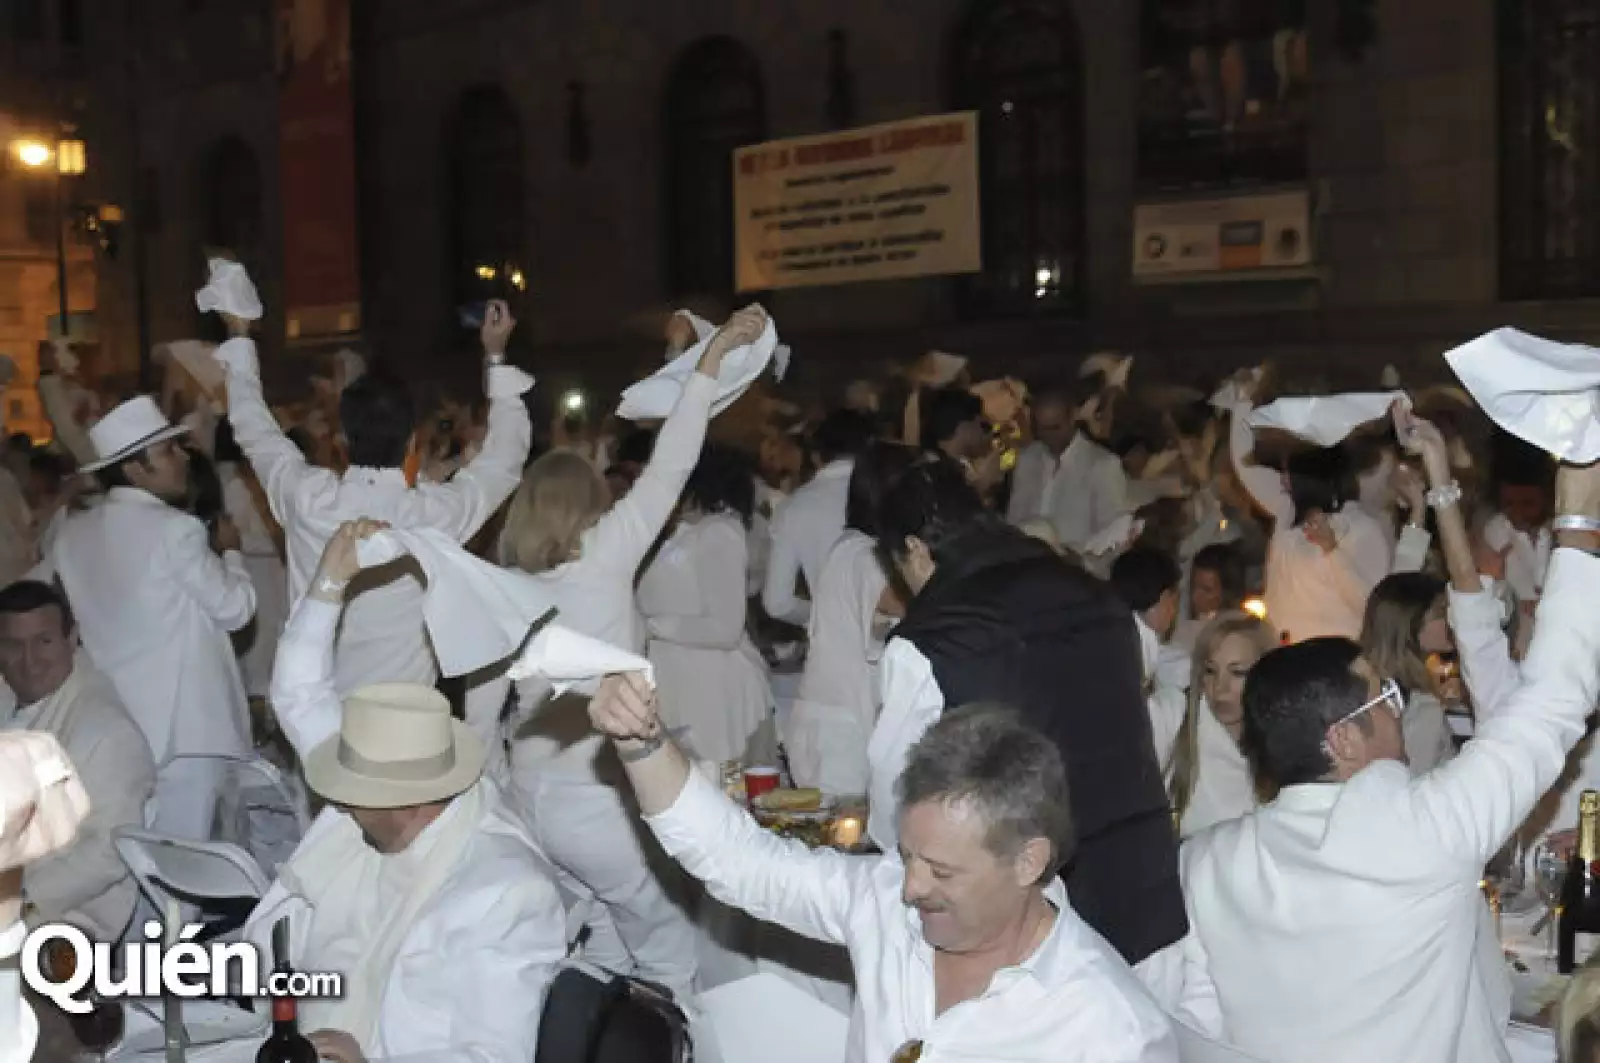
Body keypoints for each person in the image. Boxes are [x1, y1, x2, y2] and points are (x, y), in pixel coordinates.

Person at [1175, 421, 1600, 1063]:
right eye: (1388, 700)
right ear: (1344, 740)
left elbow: (1201, 1022)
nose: (1401, 713)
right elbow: (1555, 701)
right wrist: (1577, 525)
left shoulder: (1203, 863)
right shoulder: (1421, 827)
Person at [590, 680, 1178, 1062]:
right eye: (909, 855)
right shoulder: (884, 899)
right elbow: (744, 862)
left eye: (942, 872)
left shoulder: (1112, 1030)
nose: (911, 887)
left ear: (1029, 861)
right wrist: (642, 744)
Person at [488, 305, 766, 999]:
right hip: (600, 796)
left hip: (532, 798)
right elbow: (673, 465)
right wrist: (707, 364)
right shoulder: (606, 556)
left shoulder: (502, 585)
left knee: (604, 950)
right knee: (672, 959)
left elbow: (478, 712)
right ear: (587, 506)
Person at [243, 520, 566, 1063]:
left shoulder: (505, 890)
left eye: (349, 787)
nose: (335, 796)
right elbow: (297, 693)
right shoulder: (367, 811)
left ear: (402, 800)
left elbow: (492, 1057)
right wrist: (330, 584)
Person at [865, 456, 1187, 976]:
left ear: (915, 550)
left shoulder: (930, 640)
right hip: (1145, 889)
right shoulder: (1098, 596)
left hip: (1032, 923)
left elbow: (896, 800)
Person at [211, 298, 532, 695]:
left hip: (322, 728)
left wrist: (240, 333)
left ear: (342, 441)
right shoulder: (435, 514)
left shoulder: (309, 500)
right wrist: (496, 356)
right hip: (406, 727)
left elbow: (253, 427)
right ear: (413, 441)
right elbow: (504, 460)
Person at [31, 396, 256, 840]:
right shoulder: (175, 529)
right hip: (188, 733)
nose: (182, 462)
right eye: (167, 453)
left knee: (136, 859)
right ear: (134, 469)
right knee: (189, 868)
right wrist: (232, 551)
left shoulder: (73, 533)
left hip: (117, 725)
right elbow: (237, 609)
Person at [0, 581, 153, 941]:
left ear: (72, 640)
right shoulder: (9, 697)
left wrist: (17, 898)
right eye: (12, 645)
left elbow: (109, 850)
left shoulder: (106, 730)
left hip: (64, 922)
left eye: (44, 641)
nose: (29, 660)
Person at [1224, 377, 1393, 642]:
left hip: (1334, 663)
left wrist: (1332, 550)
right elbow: (1245, 465)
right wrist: (1244, 401)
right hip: (1283, 656)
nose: (1280, 478)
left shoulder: (1360, 527)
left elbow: (1372, 605)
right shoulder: (1287, 513)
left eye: (1287, 471)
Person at [787, 441, 912, 794]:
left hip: (828, 720)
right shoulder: (867, 555)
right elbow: (916, 603)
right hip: (841, 732)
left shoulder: (849, 547)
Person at [635, 443, 772, 764]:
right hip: (684, 687)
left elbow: (724, 628)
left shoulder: (718, 532)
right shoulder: (684, 533)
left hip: (711, 696)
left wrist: (649, 625)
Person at [1165, 611, 1275, 838]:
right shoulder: (1176, 717)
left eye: (1237, 672)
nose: (1220, 687)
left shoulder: (1284, 748)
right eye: (1210, 671)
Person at [760, 408, 874, 626]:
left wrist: (824, 613)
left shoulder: (793, 507)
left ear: (816, 455)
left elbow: (777, 603)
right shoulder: (889, 492)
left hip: (829, 647)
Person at [1359, 571, 1458, 775]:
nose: (1454, 619)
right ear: (1409, 623)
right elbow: (1414, 778)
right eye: (1442, 612)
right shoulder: (1419, 707)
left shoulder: (1362, 681)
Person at [1005, 389, 1076, 527]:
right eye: (1043, 428)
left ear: (1071, 420)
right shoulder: (1026, 460)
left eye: (1055, 428)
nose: (1050, 435)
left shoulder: (1101, 466)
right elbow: (1014, 516)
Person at [1171, 541, 1246, 653]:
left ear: (1228, 593)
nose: (1195, 596)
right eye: (1193, 586)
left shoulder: (1248, 636)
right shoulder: (1186, 631)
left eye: (1207, 590)